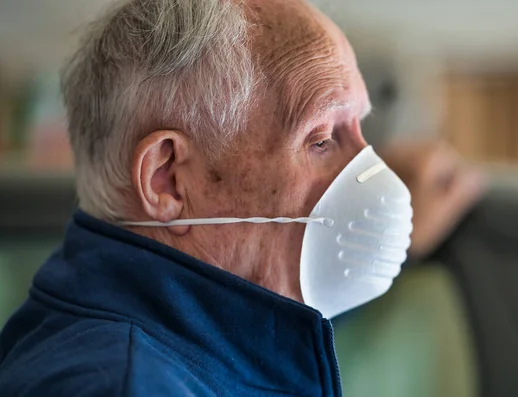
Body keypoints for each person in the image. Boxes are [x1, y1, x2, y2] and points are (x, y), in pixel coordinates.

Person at [0, 0, 483, 396]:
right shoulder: (126, 386)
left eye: (359, 129)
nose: (378, 179)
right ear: (168, 180)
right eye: (321, 139)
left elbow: (255, 328)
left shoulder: (165, 336)